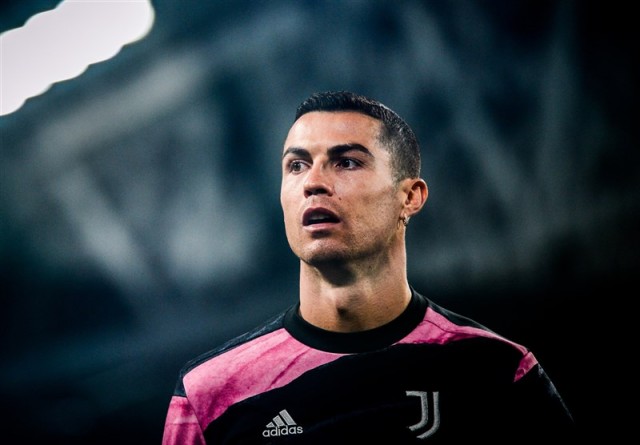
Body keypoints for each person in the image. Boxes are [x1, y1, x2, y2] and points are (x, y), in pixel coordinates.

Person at [161, 90, 575, 444]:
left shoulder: (496, 370)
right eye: (297, 165)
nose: (313, 182)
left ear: (409, 197)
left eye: (346, 162)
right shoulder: (210, 394)